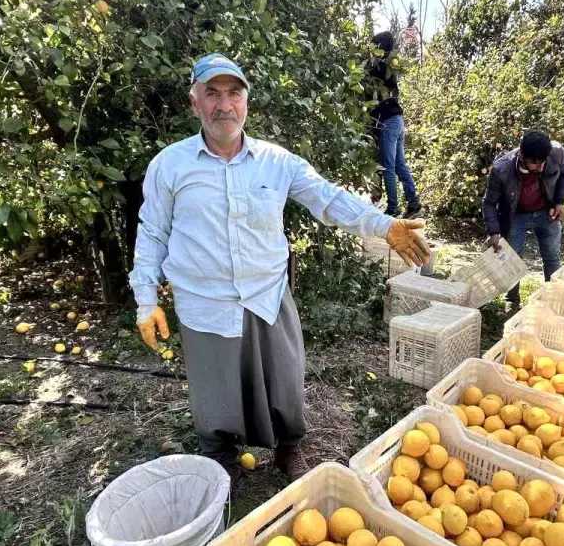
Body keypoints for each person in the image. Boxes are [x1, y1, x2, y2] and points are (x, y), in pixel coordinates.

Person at [129, 54, 430, 482]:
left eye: (234, 93)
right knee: (214, 392)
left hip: (266, 294)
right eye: (212, 94)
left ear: (246, 103)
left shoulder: (276, 161)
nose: (224, 105)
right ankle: (222, 459)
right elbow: (152, 232)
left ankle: (290, 447)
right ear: (194, 102)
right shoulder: (170, 165)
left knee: (285, 379)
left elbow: (327, 198)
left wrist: (384, 226)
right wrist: (145, 300)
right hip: (204, 302)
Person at [482, 129, 564, 308]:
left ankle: (552, 302)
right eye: (534, 162)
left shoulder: (558, 153)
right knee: (512, 257)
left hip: (547, 212)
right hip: (516, 214)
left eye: (542, 162)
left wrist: (560, 202)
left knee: (552, 257)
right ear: (522, 155)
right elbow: (489, 203)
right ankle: (512, 301)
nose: (538, 167)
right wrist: (494, 232)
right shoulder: (502, 169)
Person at [367, 31, 422, 218]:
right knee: (400, 165)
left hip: (389, 123)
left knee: (388, 167)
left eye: (373, 45)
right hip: (397, 121)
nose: (371, 49)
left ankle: (393, 208)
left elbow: (371, 93)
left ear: (380, 47)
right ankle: (413, 203)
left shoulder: (379, 67)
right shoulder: (390, 67)